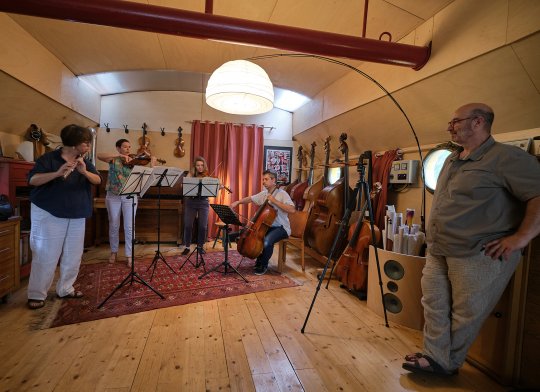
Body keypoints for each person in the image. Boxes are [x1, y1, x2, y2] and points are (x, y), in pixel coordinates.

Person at [402, 103, 540, 376]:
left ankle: (444, 363)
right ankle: (436, 356)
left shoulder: (506, 158)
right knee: (433, 304)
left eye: (455, 121)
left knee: (466, 313)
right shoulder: (453, 158)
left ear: (478, 122)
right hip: (440, 247)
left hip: (476, 252)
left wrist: (521, 238)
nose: (449, 127)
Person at [27, 124, 101, 310]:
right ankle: (37, 293)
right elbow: (33, 180)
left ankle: (66, 288)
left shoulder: (84, 160)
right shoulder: (49, 158)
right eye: (86, 143)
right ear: (75, 144)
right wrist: (58, 173)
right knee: (46, 254)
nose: (88, 147)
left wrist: (84, 171)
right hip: (49, 211)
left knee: (73, 255)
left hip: (76, 212)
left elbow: (98, 180)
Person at [231, 170, 296, 275]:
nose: (263, 182)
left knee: (266, 241)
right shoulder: (264, 194)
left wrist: (274, 201)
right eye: (263, 179)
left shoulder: (282, 194)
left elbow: (292, 210)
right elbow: (251, 199)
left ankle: (263, 265)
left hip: (281, 227)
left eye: (266, 179)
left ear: (273, 180)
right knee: (256, 237)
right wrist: (238, 202)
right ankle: (259, 259)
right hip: (267, 226)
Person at [97, 139, 140, 266]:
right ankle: (114, 251)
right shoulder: (113, 159)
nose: (128, 149)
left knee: (129, 226)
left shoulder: (133, 161)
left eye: (129, 147)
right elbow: (99, 155)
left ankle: (129, 254)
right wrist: (119, 156)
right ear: (118, 148)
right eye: (125, 147)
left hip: (130, 195)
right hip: (113, 195)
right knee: (114, 224)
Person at [181, 156, 211, 255]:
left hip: (203, 202)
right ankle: (187, 246)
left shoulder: (206, 175)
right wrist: (186, 181)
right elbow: (183, 185)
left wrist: (219, 186)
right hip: (191, 202)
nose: (200, 167)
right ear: (195, 166)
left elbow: (212, 188)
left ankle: (200, 246)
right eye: (198, 165)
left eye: (202, 165)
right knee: (188, 225)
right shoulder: (191, 174)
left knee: (202, 226)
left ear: (204, 166)